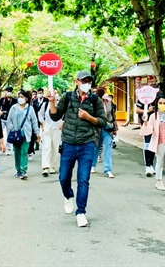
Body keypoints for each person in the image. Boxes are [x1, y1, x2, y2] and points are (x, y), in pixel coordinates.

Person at [48, 70, 107, 228]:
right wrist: (52, 101)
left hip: (87, 144)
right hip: (68, 143)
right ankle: (68, 195)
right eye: (83, 81)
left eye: (89, 81)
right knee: (63, 177)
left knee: (83, 180)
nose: (86, 83)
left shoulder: (95, 100)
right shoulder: (68, 97)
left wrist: (89, 117)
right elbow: (55, 116)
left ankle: (81, 212)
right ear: (77, 82)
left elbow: (102, 121)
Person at [6, 90, 41, 179]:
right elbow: (8, 120)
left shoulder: (30, 108)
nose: (20, 98)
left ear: (26, 98)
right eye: (19, 96)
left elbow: (34, 121)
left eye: (22, 97)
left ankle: (23, 170)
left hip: (26, 134)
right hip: (15, 134)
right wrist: (13, 129)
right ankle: (18, 170)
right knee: (17, 152)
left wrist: (37, 133)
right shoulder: (13, 108)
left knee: (24, 151)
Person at [91, 93, 117, 178]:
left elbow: (113, 116)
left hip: (107, 129)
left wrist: (115, 128)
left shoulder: (109, 103)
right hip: (97, 129)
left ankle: (108, 170)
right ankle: (92, 166)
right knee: (95, 148)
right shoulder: (93, 103)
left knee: (108, 148)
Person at [38, 88, 62, 176]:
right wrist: (43, 123)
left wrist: (62, 122)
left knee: (55, 148)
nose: (54, 94)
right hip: (47, 127)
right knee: (46, 147)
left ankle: (53, 166)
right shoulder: (45, 105)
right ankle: (45, 167)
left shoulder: (60, 105)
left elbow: (65, 115)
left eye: (55, 93)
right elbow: (40, 114)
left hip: (57, 128)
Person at [137, 99, 156, 176]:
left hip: (156, 124)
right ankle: (147, 166)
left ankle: (151, 165)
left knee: (154, 145)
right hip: (146, 124)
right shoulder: (142, 98)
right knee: (147, 144)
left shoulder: (157, 98)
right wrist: (147, 111)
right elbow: (137, 110)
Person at [0, 86, 15, 155]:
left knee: (9, 134)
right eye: (7, 91)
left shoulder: (14, 100)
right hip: (2, 119)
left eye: (9, 91)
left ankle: (8, 149)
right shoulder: (2, 99)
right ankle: (0, 148)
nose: (8, 93)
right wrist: (0, 112)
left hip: (10, 120)